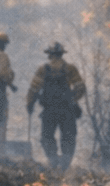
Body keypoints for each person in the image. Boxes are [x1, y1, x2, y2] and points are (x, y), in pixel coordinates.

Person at [26, 41, 85, 170]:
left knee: (47, 136)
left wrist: (29, 104)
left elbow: (33, 89)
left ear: (50, 54)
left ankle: (53, 161)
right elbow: (80, 88)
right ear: (61, 54)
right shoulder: (70, 68)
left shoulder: (43, 69)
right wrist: (73, 100)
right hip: (67, 110)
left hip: (49, 110)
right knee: (69, 136)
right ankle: (64, 164)